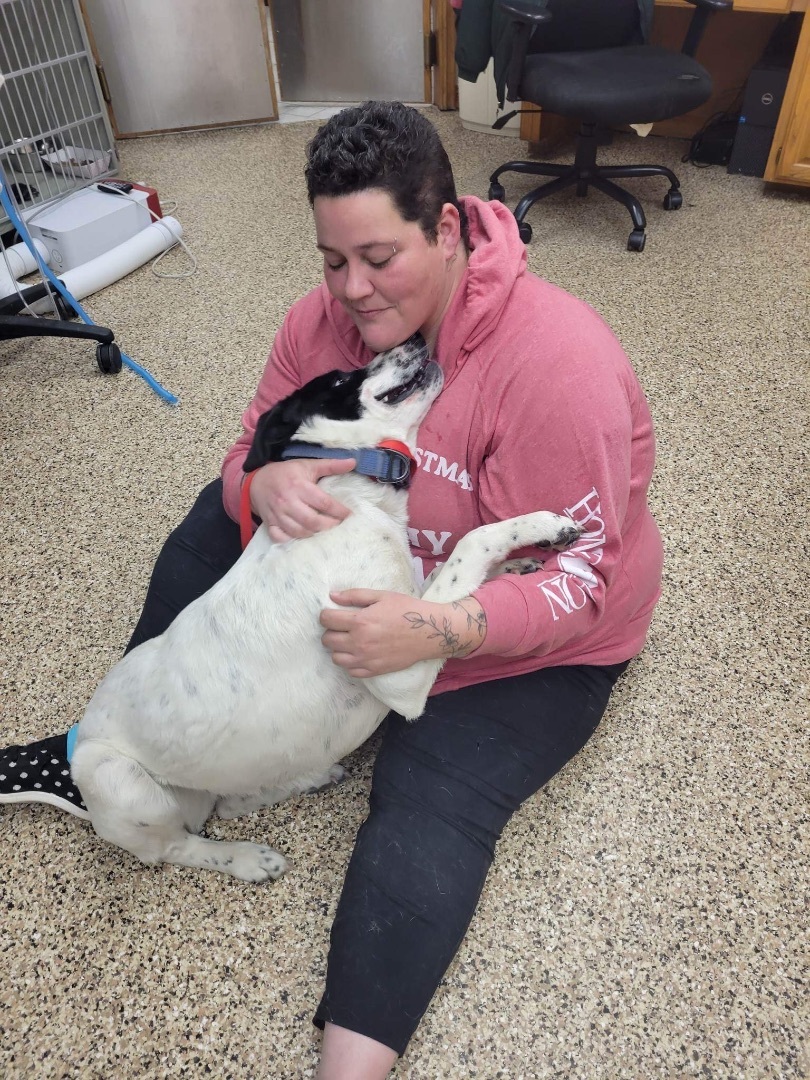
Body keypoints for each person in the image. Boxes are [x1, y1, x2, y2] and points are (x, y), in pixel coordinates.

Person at [0, 101, 664, 1078]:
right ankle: (117, 744)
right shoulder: (319, 325)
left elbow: (583, 581)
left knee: (423, 793)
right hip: (366, 567)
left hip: (528, 635)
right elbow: (247, 450)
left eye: (380, 258)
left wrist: (441, 626)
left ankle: (348, 1069)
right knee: (205, 527)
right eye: (330, 259)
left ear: (445, 229)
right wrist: (256, 485)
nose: (351, 292)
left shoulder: (558, 364)